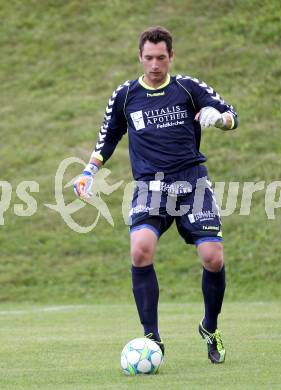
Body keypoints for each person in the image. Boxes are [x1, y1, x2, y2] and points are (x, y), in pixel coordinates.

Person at [74, 26, 238, 364]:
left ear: (171, 57)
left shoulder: (187, 88)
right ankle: (152, 337)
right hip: (150, 187)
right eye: (148, 58)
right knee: (140, 250)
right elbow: (107, 137)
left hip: (192, 184)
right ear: (140, 57)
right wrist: (89, 171)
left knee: (213, 258)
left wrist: (220, 120)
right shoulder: (125, 95)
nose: (154, 64)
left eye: (161, 58)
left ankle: (210, 327)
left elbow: (232, 114)